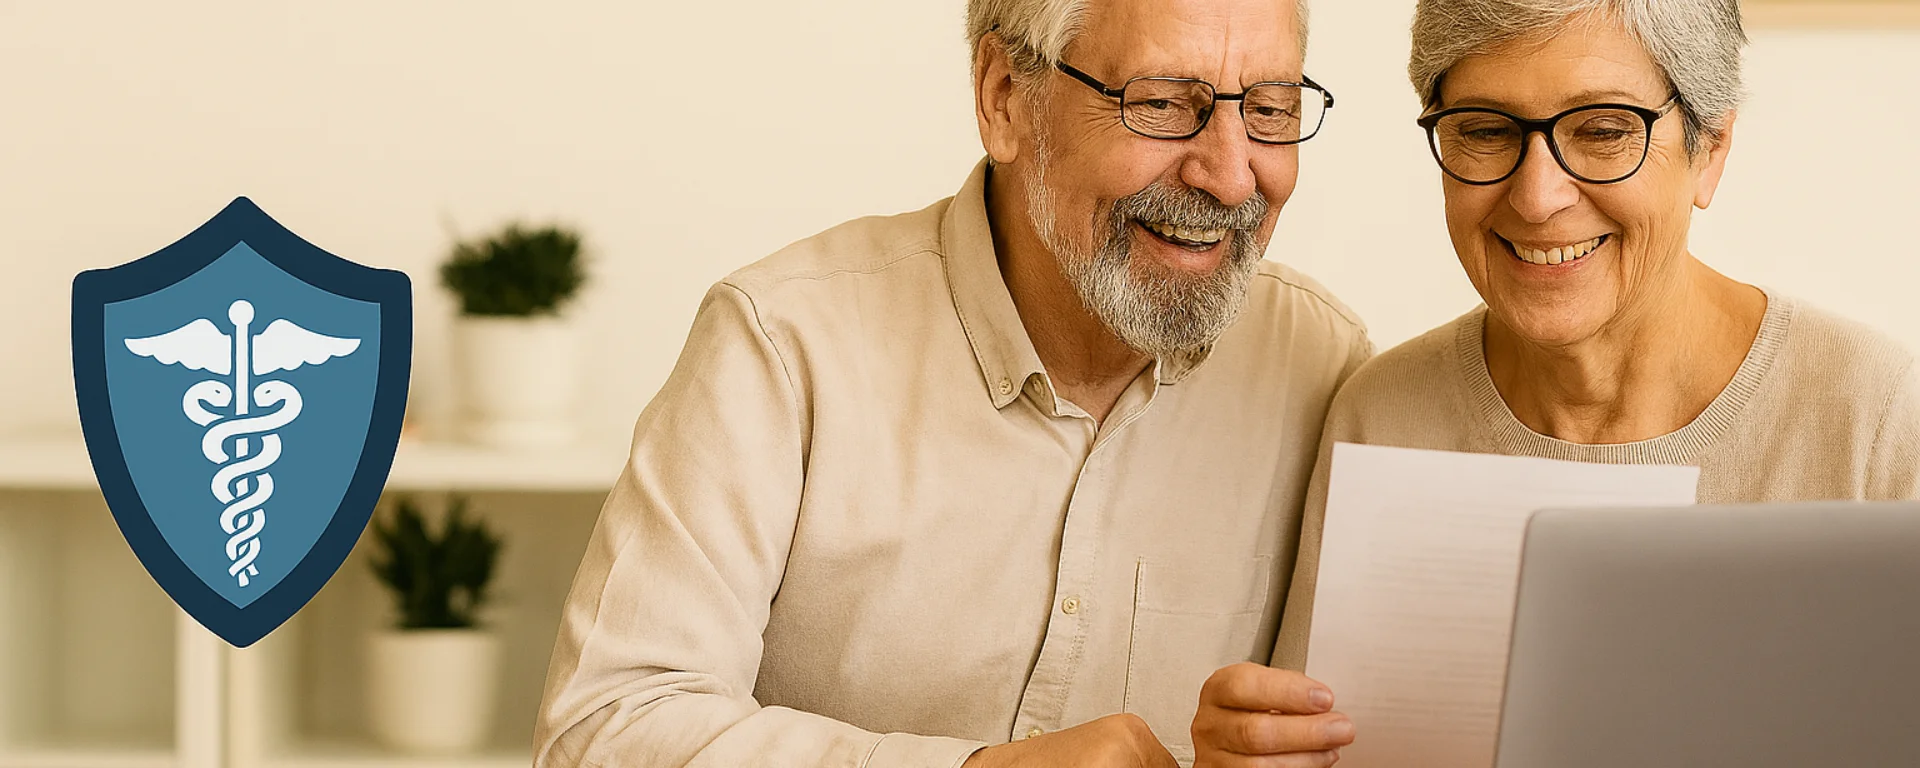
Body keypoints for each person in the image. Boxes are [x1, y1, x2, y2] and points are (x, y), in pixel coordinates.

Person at [532, 0, 1371, 766]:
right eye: (1158, 103)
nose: (1230, 176)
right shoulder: (783, 343)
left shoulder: (1324, 368)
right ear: (1004, 96)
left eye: (1269, 110)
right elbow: (604, 728)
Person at [1207, 0, 1920, 760]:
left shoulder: (1872, 417)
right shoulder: (1381, 412)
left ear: (1711, 149)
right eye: (1485, 129)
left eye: (1605, 130)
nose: (1538, 197)